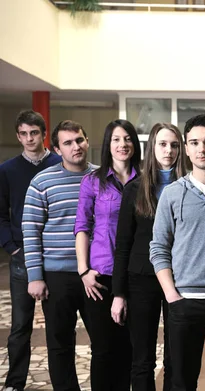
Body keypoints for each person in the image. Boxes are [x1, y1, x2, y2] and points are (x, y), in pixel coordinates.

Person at [149, 114, 205, 391]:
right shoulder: (173, 193)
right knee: (181, 382)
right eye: (195, 142)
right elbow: (159, 247)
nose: (202, 148)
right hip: (184, 301)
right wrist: (172, 296)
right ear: (186, 148)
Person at [112, 123, 186, 390]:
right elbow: (123, 244)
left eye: (174, 145)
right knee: (142, 359)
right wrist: (119, 294)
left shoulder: (189, 187)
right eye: (163, 144)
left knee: (176, 358)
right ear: (151, 147)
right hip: (141, 279)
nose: (168, 151)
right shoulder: (135, 189)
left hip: (180, 278)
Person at [23, 120, 95, 391]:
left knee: (106, 341)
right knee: (60, 344)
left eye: (79, 140)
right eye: (68, 143)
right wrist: (35, 277)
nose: (75, 146)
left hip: (95, 274)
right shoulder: (42, 182)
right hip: (57, 276)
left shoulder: (102, 177)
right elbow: (30, 230)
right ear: (56, 149)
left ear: (87, 141)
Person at [74, 119, 141, 390]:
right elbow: (82, 226)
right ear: (108, 144)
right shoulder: (93, 181)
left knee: (130, 348)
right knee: (103, 349)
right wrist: (83, 271)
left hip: (136, 275)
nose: (122, 144)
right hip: (101, 275)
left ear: (135, 144)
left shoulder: (146, 180)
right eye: (116, 139)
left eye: (127, 138)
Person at [0, 110, 61, 390]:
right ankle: (15, 383)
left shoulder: (60, 163)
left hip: (56, 256)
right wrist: (11, 247)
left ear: (43, 134)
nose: (29, 139)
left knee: (58, 326)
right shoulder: (7, 170)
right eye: (23, 134)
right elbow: (0, 213)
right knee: (20, 326)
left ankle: (62, 380)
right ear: (18, 136)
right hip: (22, 257)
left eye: (34, 133)